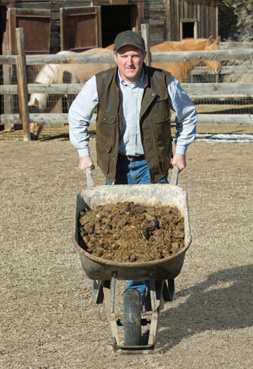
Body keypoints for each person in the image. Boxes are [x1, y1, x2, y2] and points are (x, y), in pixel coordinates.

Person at [69, 30, 197, 298]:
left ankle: (137, 290)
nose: (130, 62)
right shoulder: (100, 83)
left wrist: (181, 150)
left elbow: (188, 114)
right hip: (117, 167)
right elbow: (77, 115)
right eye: (124, 56)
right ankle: (120, 274)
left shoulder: (163, 81)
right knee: (117, 227)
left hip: (154, 165)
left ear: (144, 56)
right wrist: (83, 152)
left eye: (135, 55)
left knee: (152, 228)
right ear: (115, 57)